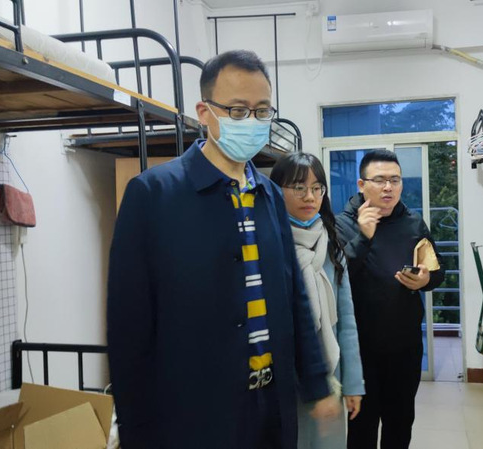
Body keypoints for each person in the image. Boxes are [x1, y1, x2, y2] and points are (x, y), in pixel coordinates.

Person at [107, 50, 337, 449]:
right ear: (204, 113)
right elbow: (129, 326)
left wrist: (316, 381)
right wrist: (135, 429)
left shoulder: (269, 195)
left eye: (262, 111)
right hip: (196, 414)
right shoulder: (153, 195)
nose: (252, 121)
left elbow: (294, 297)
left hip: (271, 405)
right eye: (237, 110)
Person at [335, 150, 445, 449]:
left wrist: (425, 280)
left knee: (400, 423)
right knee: (362, 427)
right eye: (380, 180)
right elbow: (337, 277)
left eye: (395, 180)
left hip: (405, 346)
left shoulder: (413, 223)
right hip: (361, 348)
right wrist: (364, 236)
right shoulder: (343, 224)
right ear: (361, 184)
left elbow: (438, 271)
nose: (388, 187)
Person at [270, 153, 366, 449]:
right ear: (276, 190)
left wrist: (353, 383)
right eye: (299, 188)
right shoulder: (268, 244)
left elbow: (346, 321)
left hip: (328, 374)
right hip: (283, 377)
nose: (310, 196)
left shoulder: (331, 244)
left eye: (316, 188)